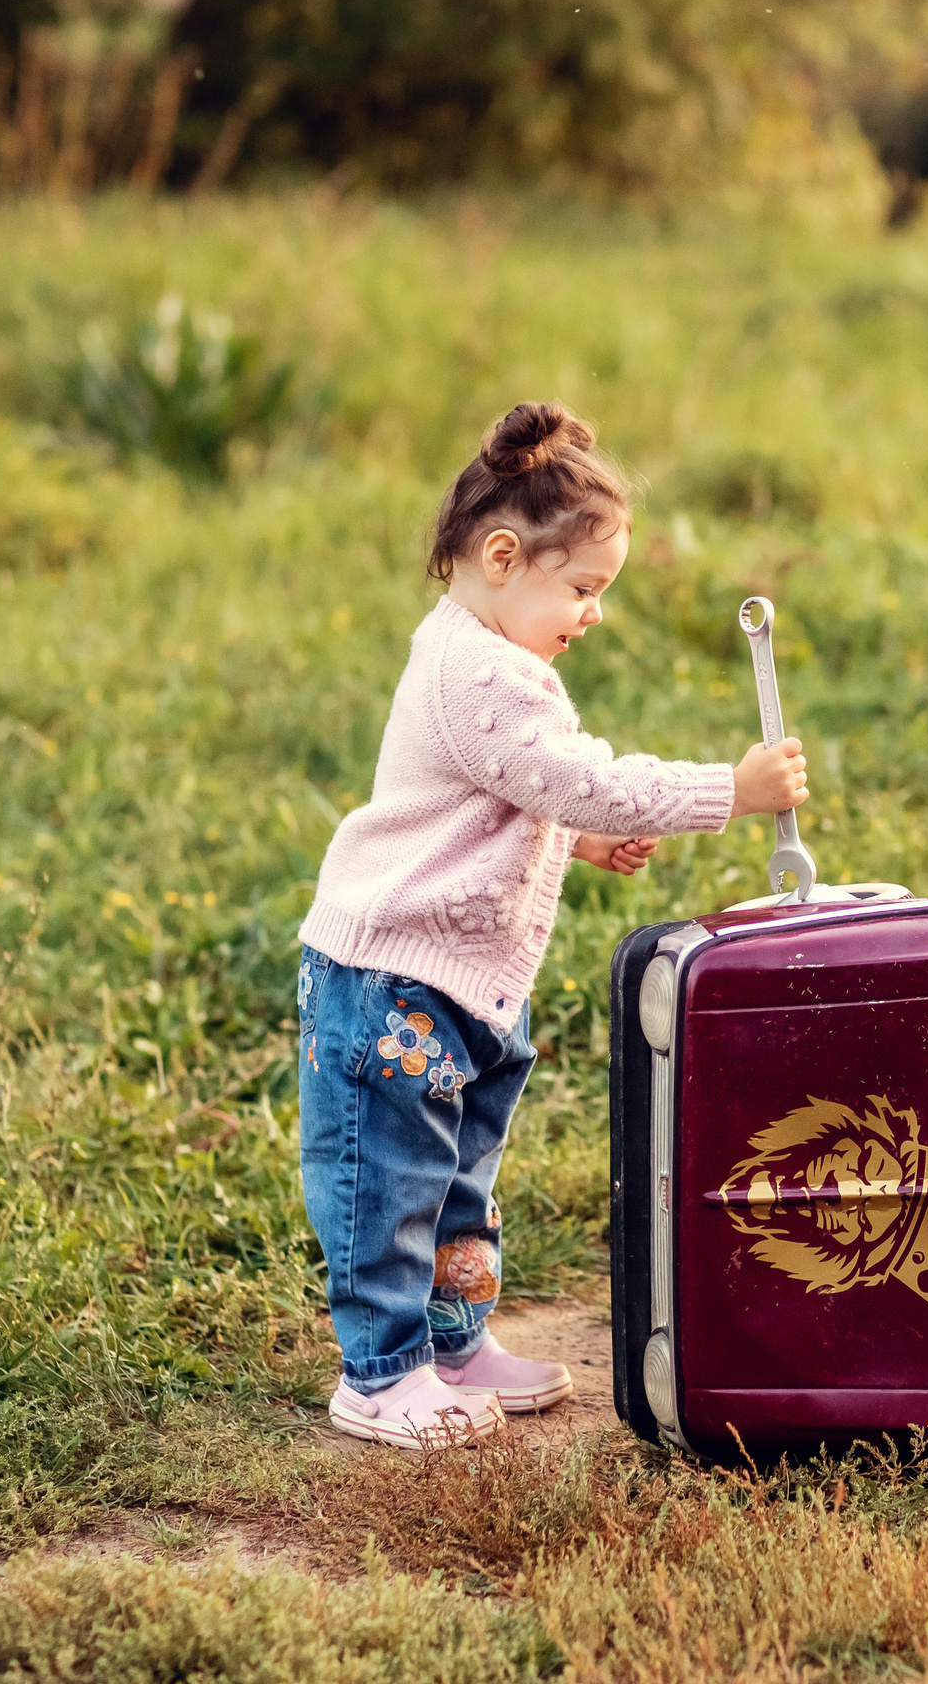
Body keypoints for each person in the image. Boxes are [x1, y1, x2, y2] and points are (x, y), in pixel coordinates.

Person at [296, 401, 808, 1448]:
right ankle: (379, 1373)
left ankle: (451, 1339)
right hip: (393, 977)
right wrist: (731, 789)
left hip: (463, 981)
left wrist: (569, 841)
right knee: (389, 1181)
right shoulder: (480, 672)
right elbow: (580, 779)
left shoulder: (490, 659)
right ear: (500, 558)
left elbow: (492, 800)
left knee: (456, 1178)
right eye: (581, 589)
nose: (594, 613)